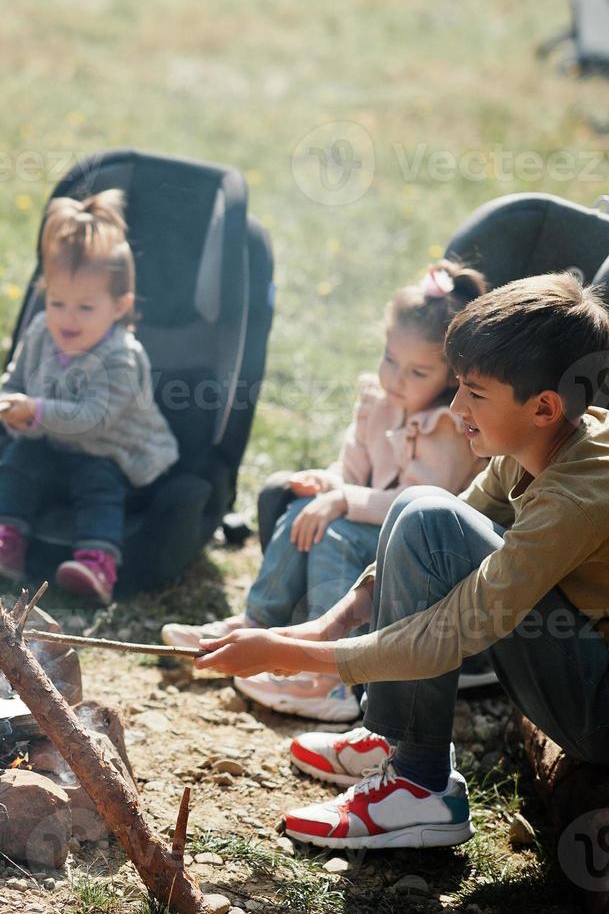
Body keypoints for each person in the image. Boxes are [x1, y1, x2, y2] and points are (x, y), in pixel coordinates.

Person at [196, 273, 609, 850]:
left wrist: (298, 654)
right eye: (458, 384)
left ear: (543, 406)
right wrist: (329, 624)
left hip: (598, 707)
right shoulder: (543, 441)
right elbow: (434, 538)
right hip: (578, 666)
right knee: (422, 508)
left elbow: (457, 625)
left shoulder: (577, 497)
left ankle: (419, 787)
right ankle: (400, 740)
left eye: (475, 393)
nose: (457, 405)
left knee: (428, 518)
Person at [163, 263, 488, 722]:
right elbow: (352, 467)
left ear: (451, 377)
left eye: (417, 372)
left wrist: (342, 500)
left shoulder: (449, 427)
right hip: (371, 523)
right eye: (390, 359)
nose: (396, 379)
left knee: (332, 530)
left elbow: (421, 503)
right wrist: (329, 484)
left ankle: (328, 679)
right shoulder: (378, 399)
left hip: (419, 550)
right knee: (305, 509)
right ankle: (258, 624)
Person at [0, 190, 178, 605]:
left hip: (114, 451)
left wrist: (37, 409)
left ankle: (98, 559)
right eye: (57, 301)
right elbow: (14, 379)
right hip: (52, 443)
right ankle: (5, 539)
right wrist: (9, 402)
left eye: (85, 307)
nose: (67, 317)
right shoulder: (42, 331)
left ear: (120, 307)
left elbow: (94, 419)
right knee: (17, 461)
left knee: (97, 481)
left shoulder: (121, 356)